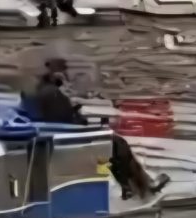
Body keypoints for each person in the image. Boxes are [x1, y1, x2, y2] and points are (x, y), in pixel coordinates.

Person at [21, 58, 165, 201]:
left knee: (112, 144)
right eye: (63, 71)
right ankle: (138, 185)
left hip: (53, 138)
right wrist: (80, 119)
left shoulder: (36, 92)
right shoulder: (52, 93)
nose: (66, 75)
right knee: (116, 143)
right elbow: (65, 120)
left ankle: (131, 186)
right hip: (64, 140)